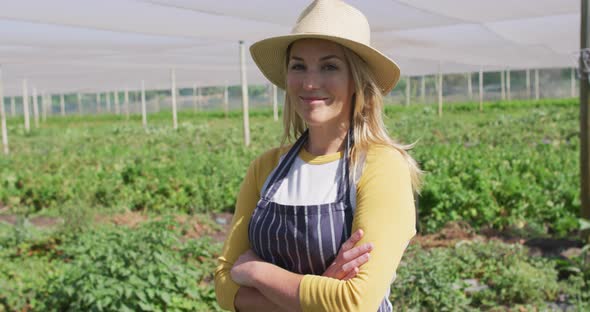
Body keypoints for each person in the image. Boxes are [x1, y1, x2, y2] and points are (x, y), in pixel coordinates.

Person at [214, 0, 421, 311]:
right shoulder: (266, 167)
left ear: (357, 80)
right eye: (298, 66)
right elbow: (223, 286)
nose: (310, 83)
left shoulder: (379, 166)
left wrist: (259, 271)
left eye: (329, 66)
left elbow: (354, 303)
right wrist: (320, 292)